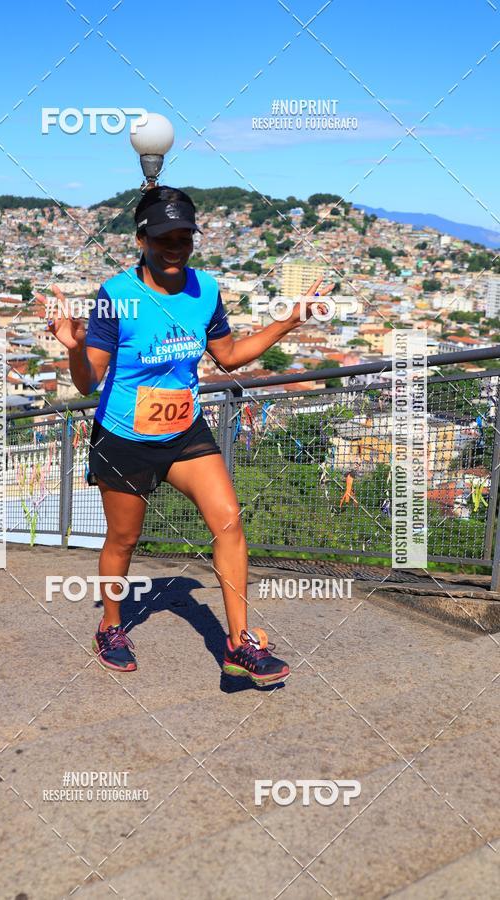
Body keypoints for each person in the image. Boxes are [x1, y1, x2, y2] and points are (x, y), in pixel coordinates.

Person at [37, 185, 333, 685]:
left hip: (184, 431)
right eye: (163, 238)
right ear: (141, 239)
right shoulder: (117, 296)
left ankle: (239, 645)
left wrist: (290, 320)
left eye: (184, 237)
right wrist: (73, 345)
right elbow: (88, 381)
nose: (175, 247)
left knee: (229, 522)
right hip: (124, 437)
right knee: (124, 538)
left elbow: (230, 356)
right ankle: (111, 627)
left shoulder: (206, 291)